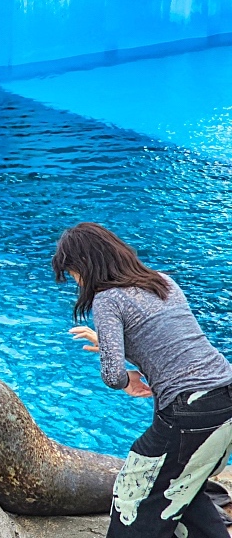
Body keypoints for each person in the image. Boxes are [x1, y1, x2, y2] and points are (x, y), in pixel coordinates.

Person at [54, 222, 232, 538]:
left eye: (74, 274)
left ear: (85, 266)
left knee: (133, 494)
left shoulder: (108, 299)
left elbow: (112, 375)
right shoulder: (163, 282)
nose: (77, 282)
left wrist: (126, 380)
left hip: (191, 411)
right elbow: (168, 348)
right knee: (181, 489)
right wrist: (112, 343)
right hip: (225, 398)